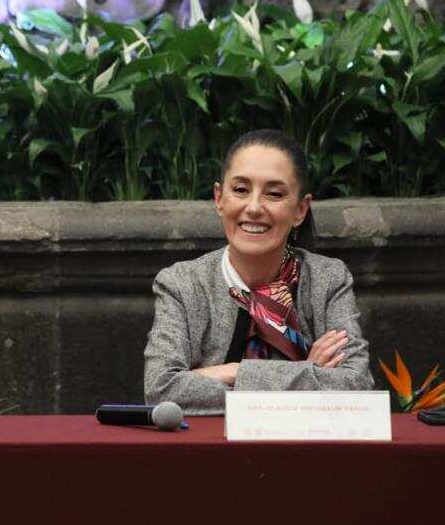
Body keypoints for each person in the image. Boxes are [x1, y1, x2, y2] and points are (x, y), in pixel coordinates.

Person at [143, 129, 374, 415]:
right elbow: (161, 389)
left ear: (300, 210)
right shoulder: (181, 284)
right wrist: (308, 371)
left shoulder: (328, 279)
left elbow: (357, 386)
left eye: (274, 194)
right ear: (219, 198)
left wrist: (224, 373)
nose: (253, 207)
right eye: (240, 190)